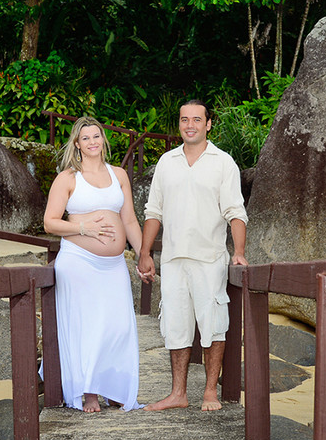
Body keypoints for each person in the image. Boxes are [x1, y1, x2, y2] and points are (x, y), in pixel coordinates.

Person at [137, 100, 247, 411]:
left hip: (209, 259)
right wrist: (145, 253)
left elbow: (235, 212)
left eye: (197, 119)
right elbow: (153, 211)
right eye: (185, 119)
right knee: (175, 325)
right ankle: (178, 394)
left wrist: (238, 253)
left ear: (208, 124)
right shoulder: (166, 162)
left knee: (213, 324)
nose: (190, 125)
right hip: (172, 260)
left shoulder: (223, 163)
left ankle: (210, 391)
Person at [42, 116, 143, 412]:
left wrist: (142, 253)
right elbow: (49, 222)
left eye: (96, 136)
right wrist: (83, 229)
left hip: (113, 266)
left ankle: (114, 386)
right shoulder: (68, 178)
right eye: (85, 138)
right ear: (77, 143)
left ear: (103, 139)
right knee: (88, 326)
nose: (92, 142)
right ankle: (89, 391)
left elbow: (129, 220)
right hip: (79, 262)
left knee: (118, 325)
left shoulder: (119, 175)